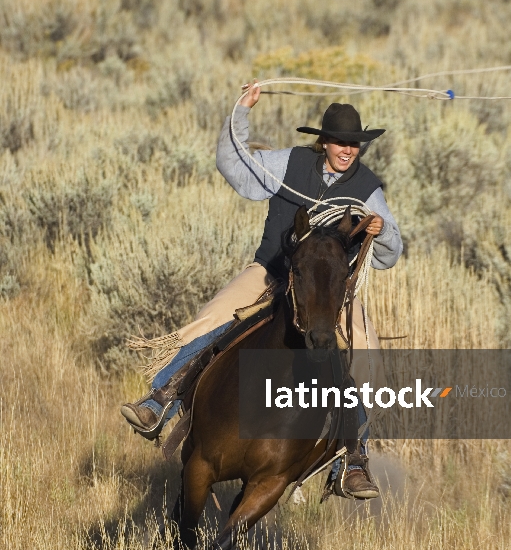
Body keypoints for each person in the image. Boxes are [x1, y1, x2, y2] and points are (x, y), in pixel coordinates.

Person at [122, 82, 403, 498]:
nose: (347, 150)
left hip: (329, 292)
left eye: (355, 144)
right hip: (272, 270)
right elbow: (234, 168)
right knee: (216, 318)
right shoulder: (286, 163)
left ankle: (352, 459)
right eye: (340, 142)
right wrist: (241, 112)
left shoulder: (368, 189)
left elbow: (390, 253)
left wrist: (381, 232)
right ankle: (161, 400)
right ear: (323, 141)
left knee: (365, 358)